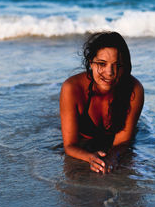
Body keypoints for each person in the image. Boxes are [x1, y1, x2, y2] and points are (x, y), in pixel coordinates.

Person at [60, 31, 144, 174]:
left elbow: (123, 141)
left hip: (118, 142)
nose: (110, 72)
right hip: (83, 141)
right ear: (91, 62)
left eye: (117, 65)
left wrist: (112, 157)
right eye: (101, 64)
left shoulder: (134, 90)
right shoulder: (72, 89)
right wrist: (90, 158)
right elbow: (70, 145)